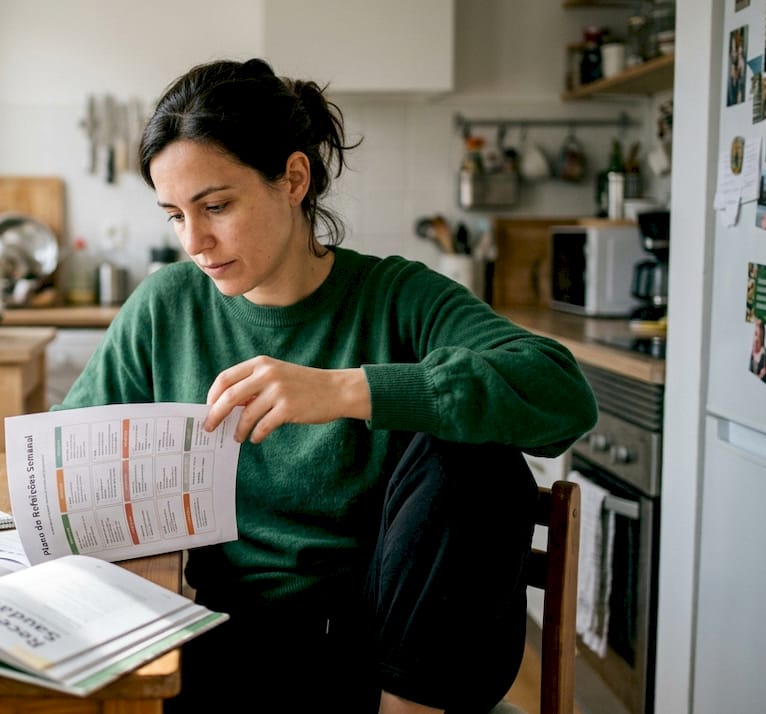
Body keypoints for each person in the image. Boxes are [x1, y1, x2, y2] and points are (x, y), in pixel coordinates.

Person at [55, 58, 597, 713]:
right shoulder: (166, 306)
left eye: (216, 206)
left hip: (387, 650)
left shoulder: (397, 297)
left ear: (293, 179)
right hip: (227, 641)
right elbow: (68, 459)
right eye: (175, 215)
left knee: (477, 452)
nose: (195, 241)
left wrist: (345, 391)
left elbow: (562, 393)